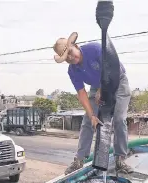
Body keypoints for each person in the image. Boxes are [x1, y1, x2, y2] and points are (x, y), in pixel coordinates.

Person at [53, 32, 133, 175]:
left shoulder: (95, 49)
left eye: (71, 53)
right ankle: (79, 160)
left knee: (119, 119)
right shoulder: (73, 71)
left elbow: (113, 69)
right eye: (67, 58)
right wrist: (92, 116)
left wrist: (103, 88)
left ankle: (120, 159)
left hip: (117, 80)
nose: (71, 58)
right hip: (97, 87)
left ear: (76, 46)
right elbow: (82, 94)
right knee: (87, 121)